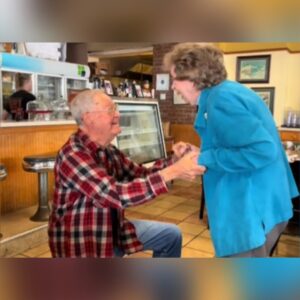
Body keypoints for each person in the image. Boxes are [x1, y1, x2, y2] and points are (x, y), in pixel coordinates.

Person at [163, 43, 299, 257]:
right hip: (264, 201)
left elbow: (261, 150)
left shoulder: (220, 99)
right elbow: (234, 144)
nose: (173, 86)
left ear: (194, 78)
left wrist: (204, 157)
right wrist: (198, 151)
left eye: (175, 78)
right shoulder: (228, 91)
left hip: (250, 211)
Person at [48, 89, 205, 258]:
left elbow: (141, 174)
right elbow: (113, 194)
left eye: (115, 108)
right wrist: (174, 171)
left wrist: (174, 161)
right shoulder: (73, 154)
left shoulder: (108, 150)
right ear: (88, 118)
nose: (118, 114)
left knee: (170, 235)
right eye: (111, 110)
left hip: (114, 231)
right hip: (85, 245)